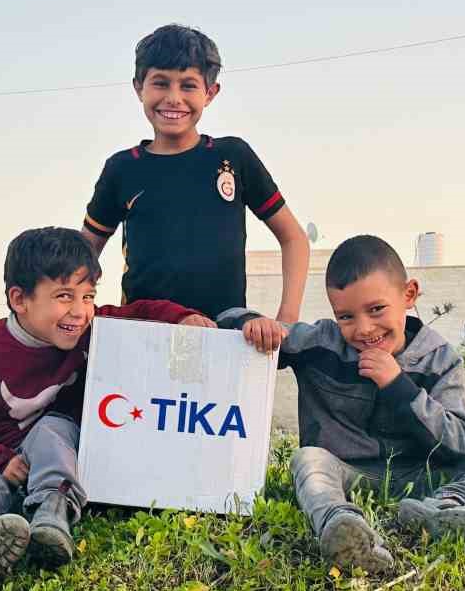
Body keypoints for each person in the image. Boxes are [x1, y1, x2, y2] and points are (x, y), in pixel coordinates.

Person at [219, 234, 465, 573]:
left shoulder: (439, 358)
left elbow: (458, 442)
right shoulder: (322, 344)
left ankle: (450, 505)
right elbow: (233, 321)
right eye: (346, 317)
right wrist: (251, 322)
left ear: (408, 295)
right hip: (350, 476)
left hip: (426, 475)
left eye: (376, 309)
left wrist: (399, 386)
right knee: (307, 459)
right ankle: (340, 525)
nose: (364, 329)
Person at [0, 227, 210, 585]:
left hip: (52, 457)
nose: (80, 311)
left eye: (88, 296)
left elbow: (138, 312)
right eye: (64, 296)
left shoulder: (89, 331)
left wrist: (181, 318)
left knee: (54, 429)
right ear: (20, 300)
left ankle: (52, 513)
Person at [80, 23, 306, 352]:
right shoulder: (122, 168)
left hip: (224, 340)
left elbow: (294, 238)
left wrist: (287, 319)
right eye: (160, 83)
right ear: (138, 88)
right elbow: (82, 257)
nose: (174, 98)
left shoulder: (234, 157)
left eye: (188, 85)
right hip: (144, 338)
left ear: (210, 93)